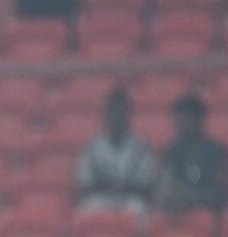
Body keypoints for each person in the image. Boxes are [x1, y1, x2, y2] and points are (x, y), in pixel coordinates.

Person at [74, 87, 155, 220]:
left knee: (140, 208)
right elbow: (85, 182)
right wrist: (108, 188)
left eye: (121, 113)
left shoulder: (141, 147)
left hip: (130, 200)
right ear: (106, 115)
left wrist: (122, 188)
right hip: (100, 199)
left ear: (128, 115)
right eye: (113, 112)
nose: (117, 117)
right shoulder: (92, 147)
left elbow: (146, 183)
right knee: (86, 210)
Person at [157, 93, 227, 219]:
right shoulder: (172, 152)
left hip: (211, 210)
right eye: (179, 117)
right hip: (179, 209)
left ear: (199, 119)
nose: (181, 122)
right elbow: (166, 184)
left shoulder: (216, 150)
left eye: (186, 117)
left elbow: (220, 185)